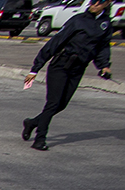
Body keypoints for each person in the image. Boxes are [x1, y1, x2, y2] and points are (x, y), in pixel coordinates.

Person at [22, 0, 113, 151]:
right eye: (92, 1)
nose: (95, 4)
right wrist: (35, 68)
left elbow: (102, 47)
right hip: (61, 65)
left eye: (100, 1)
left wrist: (104, 66)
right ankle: (40, 139)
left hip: (78, 68)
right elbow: (55, 42)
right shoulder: (78, 20)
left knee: (61, 104)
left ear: (107, 3)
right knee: (52, 103)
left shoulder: (105, 24)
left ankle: (32, 123)